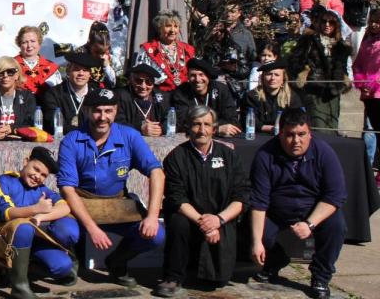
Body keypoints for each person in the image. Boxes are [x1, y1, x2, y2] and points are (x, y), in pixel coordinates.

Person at [57, 89, 166, 288]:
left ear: (116, 111)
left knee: (155, 235)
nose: (103, 117)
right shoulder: (71, 140)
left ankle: (117, 261)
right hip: (81, 202)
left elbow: (156, 172)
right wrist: (93, 229)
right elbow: (67, 189)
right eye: (97, 111)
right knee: (64, 231)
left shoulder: (130, 136)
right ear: (88, 111)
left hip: (116, 203)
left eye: (108, 111)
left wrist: (152, 216)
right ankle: (71, 261)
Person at [249, 108, 347, 299]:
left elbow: (335, 196)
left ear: (310, 133)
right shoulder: (264, 155)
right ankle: (274, 261)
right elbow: (259, 202)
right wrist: (256, 242)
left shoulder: (324, 152)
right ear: (280, 134)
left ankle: (320, 276)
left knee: (337, 225)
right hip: (276, 210)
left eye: (302, 134)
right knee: (254, 230)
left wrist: (310, 223)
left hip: (312, 210)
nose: (296, 141)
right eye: (290, 135)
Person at [155, 105, 248, 297]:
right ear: (188, 127)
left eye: (207, 124)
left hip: (220, 218)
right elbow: (176, 197)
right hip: (190, 216)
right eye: (197, 124)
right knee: (178, 222)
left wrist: (218, 220)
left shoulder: (229, 155)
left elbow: (240, 196)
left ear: (214, 128)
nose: (202, 130)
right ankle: (173, 277)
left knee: (217, 282)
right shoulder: (176, 157)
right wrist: (204, 223)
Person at [0, 146, 80, 297]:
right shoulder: (4, 181)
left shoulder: (42, 190)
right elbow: (7, 213)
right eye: (36, 169)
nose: (38, 176)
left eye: (43, 175)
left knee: (63, 266)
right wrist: (36, 209)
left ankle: (17, 269)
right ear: (26, 161)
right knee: (23, 226)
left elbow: (65, 207)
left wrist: (41, 217)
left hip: (30, 241)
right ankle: (19, 288)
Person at [288, 8, 352, 134]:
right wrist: (306, 72)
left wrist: (344, 80)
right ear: (319, 24)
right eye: (324, 22)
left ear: (336, 25)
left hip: (333, 91)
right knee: (319, 127)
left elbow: (343, 67)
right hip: (314, 89)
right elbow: (294, 61)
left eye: (331, 22)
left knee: (332, 126)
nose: (327, 25)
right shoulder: (309, 40)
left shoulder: (341, 45)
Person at [171, 58, 241, 137]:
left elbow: (232, 120)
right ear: (188, 76)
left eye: (201, 75)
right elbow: (182, 123)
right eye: (193, 75)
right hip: (193, 138)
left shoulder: (221, 90)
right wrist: (216, 129)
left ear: (208, 76)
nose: (197, 79)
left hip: (220, 139)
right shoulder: (181, 92)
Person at [136, 10, 197, 93]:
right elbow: (140, 74)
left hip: (185, 94)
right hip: (159, 94)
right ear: (159, 28)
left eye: (176, 26)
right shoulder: (148, 49)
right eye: (168, 26)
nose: (172, 30)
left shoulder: (187, 49)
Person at [40, 52, 100, 135]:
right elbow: (54, 124)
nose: (81, 74)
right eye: (76, 69)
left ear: (90, 74)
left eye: (85, 70)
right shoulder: (53, 94)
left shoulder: (97, 95)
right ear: (68, 71)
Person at [242, 60, 304, 134]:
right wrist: (270, 128)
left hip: (284, 135)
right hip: (258, 135)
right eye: (269, 74)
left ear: (283, 80)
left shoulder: (292, 97)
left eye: (277, 75)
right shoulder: (251, 96)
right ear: (262, 78)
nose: (272, 78)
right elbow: (246, 119)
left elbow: (298, 120)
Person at [115, 64, 173, 136]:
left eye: (148, 81)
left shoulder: (162, 97)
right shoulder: (120, 96)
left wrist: (160, 129)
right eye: (138, 81)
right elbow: (117, 122)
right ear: (131, 80)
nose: (143, 86)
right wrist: (140, 128)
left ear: (153, 83)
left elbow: (171, 118)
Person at [353, 8, 380, 147]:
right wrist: (361, 80)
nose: (374, 25)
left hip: (378, 90)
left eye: (377, 22)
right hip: (368, 93)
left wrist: (374, 81)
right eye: (372, 22)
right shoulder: (366, 41)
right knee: (374, 128)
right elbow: (357, 63)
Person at [13, 25, 60, 104]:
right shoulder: (11, 65)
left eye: (33, 41)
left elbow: (57, 94)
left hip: (44, 110)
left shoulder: (51, 67)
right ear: (19, 44)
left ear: (39, 43)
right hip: (18, 109)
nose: (29, 45)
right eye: (25, 42)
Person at [77, 21, 122, 88]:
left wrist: (106, 67)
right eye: (97, 52)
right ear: (89, 44)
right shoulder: (80, 56)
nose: (100, 56)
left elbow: (116, 83)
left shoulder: (113, 60)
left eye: (104, 52)